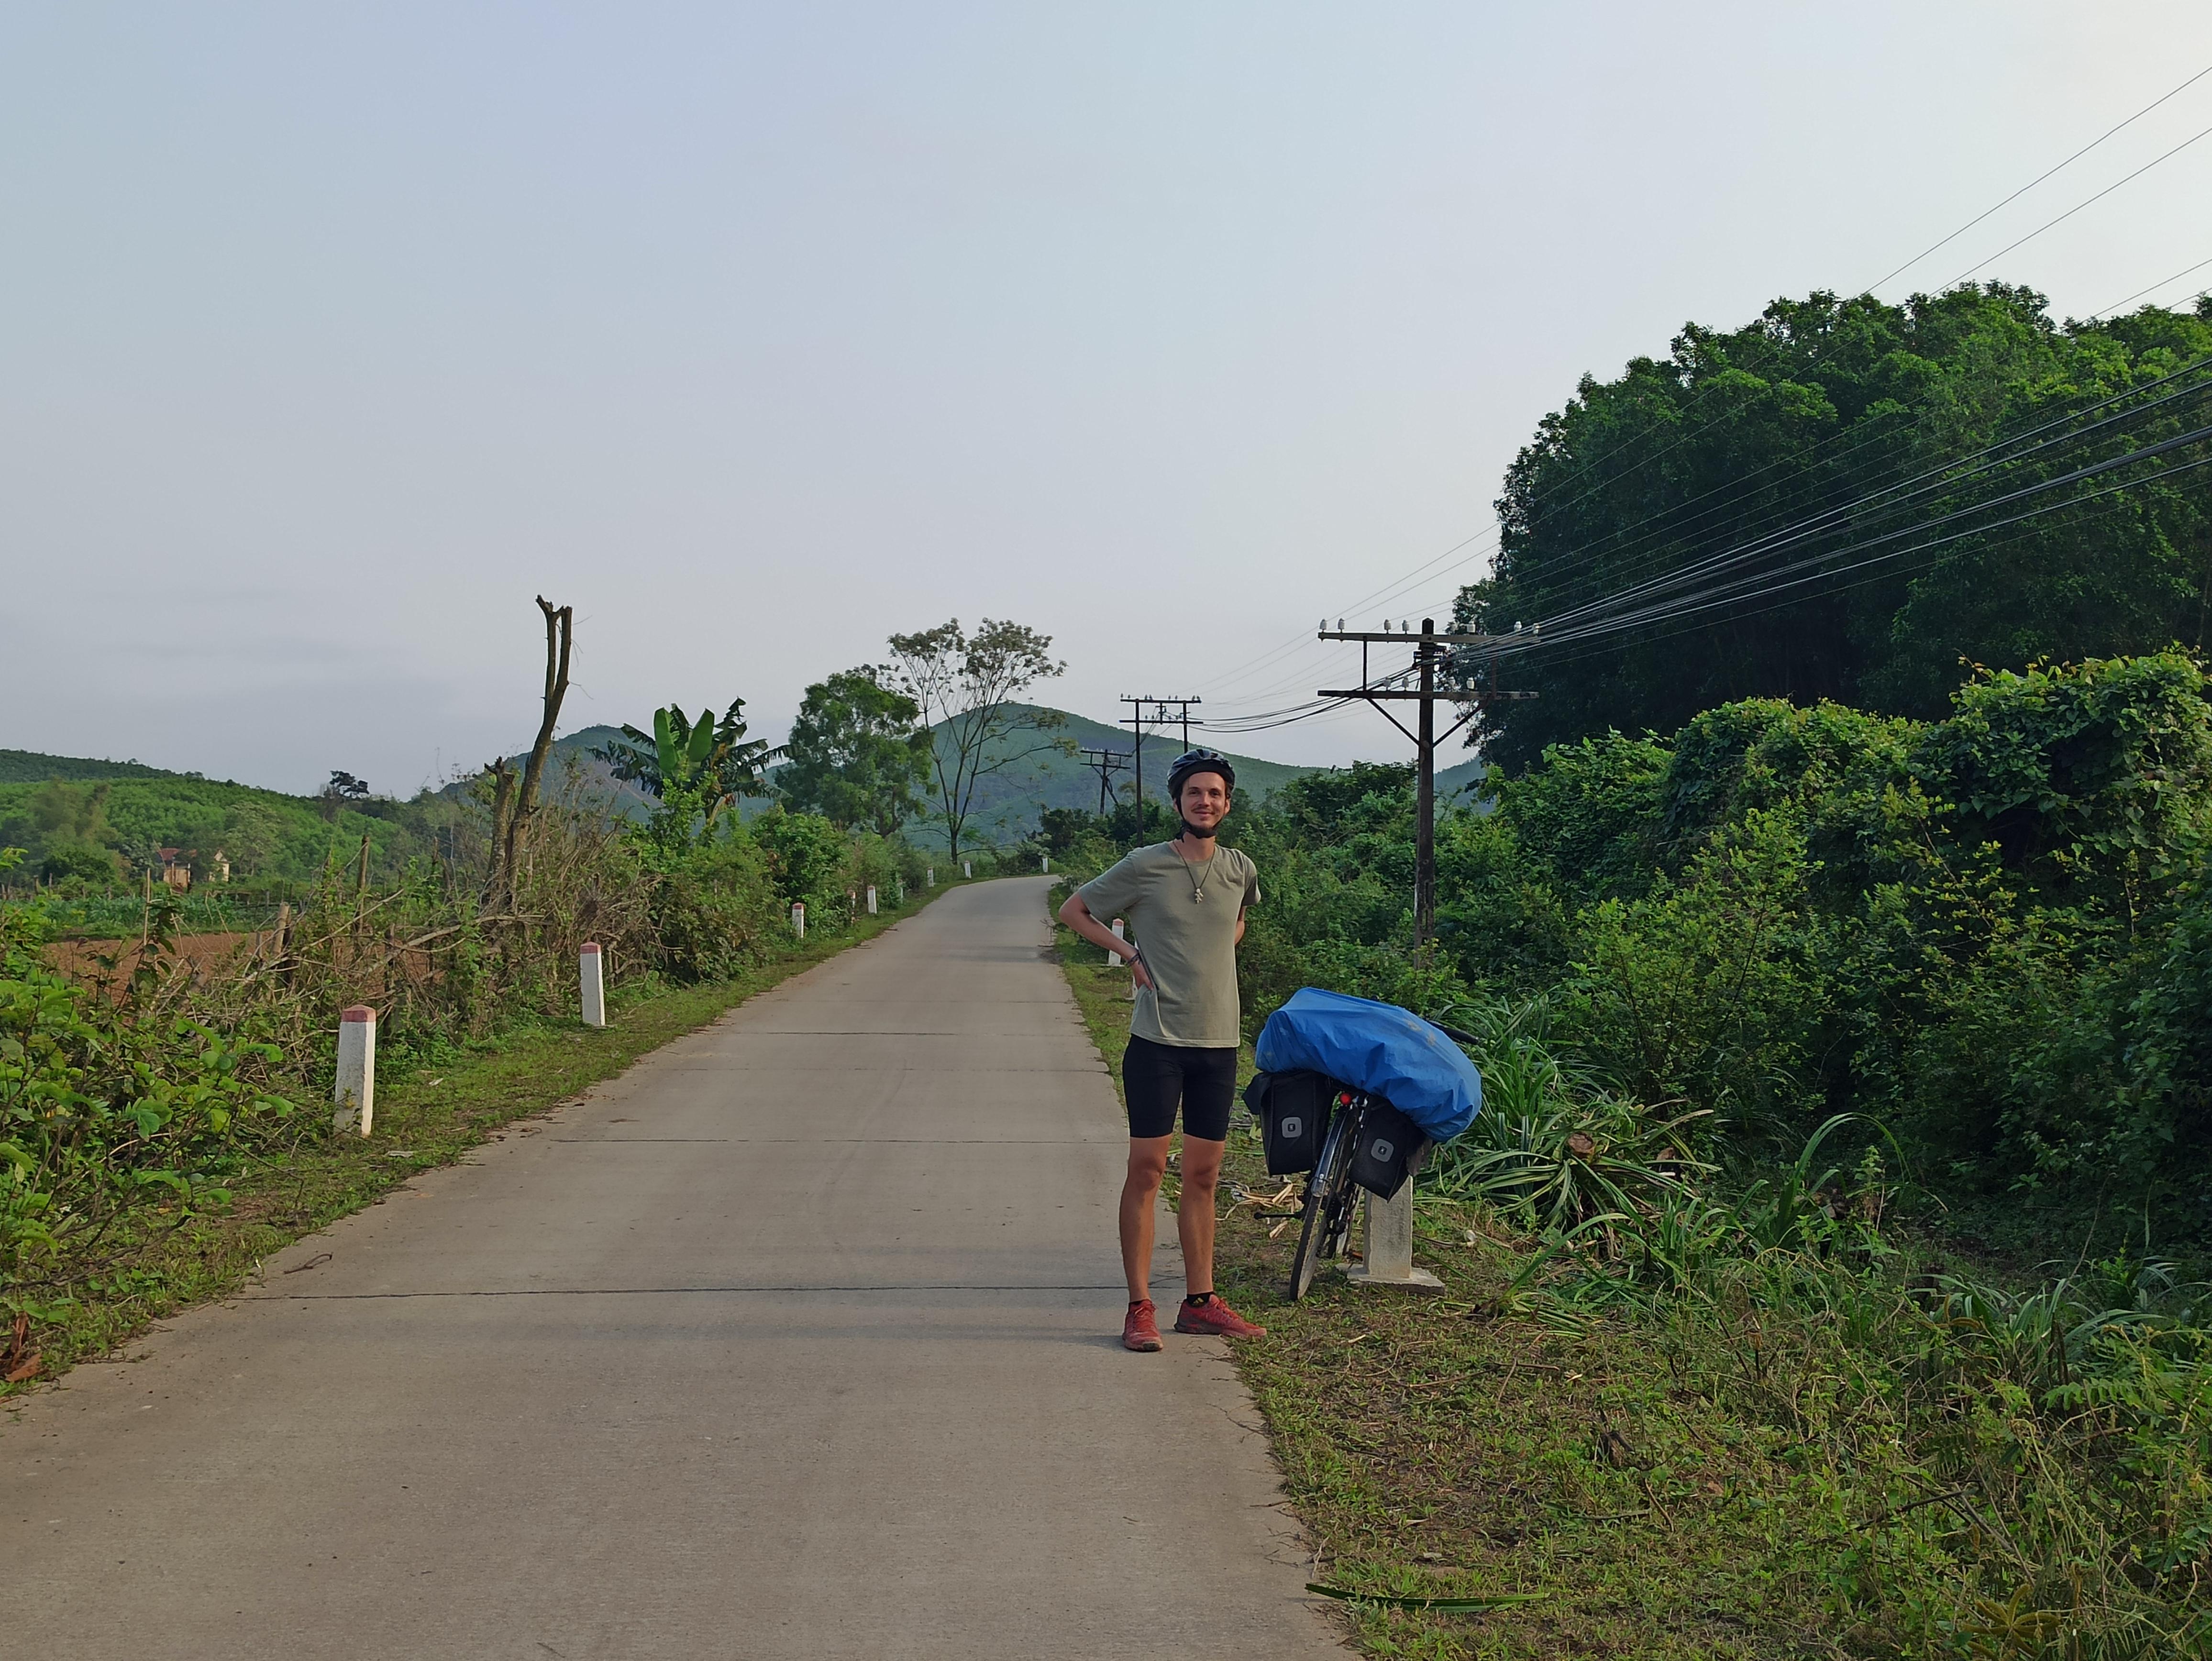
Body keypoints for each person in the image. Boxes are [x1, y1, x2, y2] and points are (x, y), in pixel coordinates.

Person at [1057, 749, 1267, 1351]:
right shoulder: (1144, 865)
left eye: (1216, 794)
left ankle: (1199, 1303)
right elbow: (1075, 910)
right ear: (1177, 802)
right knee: (1147, 1170)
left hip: (1219, 1043)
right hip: (1157, 1044)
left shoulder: (1239, 869)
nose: (1206, 802)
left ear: (1228, 803)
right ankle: (1139, 1305)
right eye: (1195, 793)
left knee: (1203, 1174)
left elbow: (1237, 920)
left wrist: (1214, 955)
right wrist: (1130, 955)